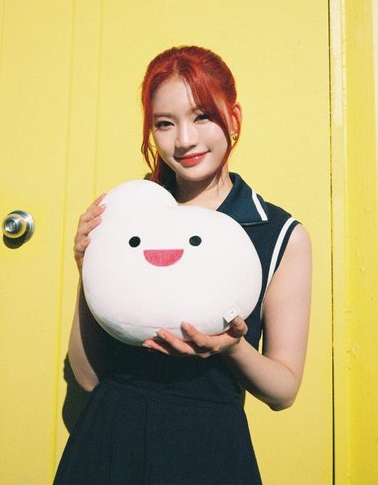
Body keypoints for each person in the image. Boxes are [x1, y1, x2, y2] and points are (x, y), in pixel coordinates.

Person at [54, 45, 312, 485]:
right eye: (165, 123)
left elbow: (283, 391)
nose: (185, 140)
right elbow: (88, 378)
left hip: (209, 449)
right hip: (109, 440)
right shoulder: (124, 219)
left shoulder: (279, 232)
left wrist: (232, 349)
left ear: (234, 118)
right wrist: (86, 267)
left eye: (202, 116)